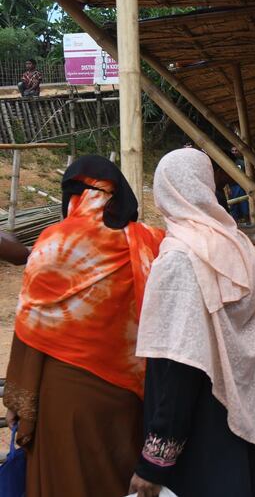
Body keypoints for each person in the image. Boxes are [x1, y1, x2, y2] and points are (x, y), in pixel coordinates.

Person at [128, 148, 255, 497]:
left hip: (198, 437)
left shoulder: (180, 257)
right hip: (243, 423)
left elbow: (179, 366)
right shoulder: (238, 246)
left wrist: (154, 462)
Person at [2, 155, 164, 497]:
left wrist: (20, 400)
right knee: (116, 478)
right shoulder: (148, 240)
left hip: (64, 396)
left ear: (73, 195)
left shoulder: (55, 243)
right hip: (129, 394)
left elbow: (31, 328)